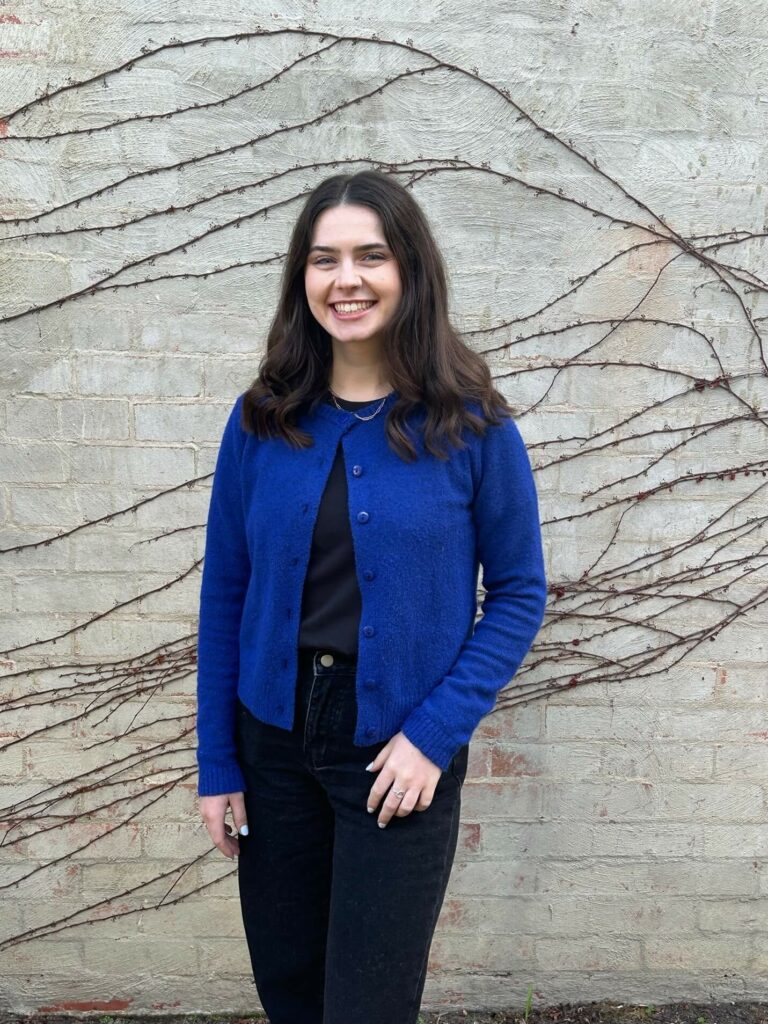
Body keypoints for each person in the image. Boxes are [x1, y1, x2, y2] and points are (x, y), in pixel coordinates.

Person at [195, 169, 548, 1024]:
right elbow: (224, 597)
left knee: (367, 1005)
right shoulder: (262, 421)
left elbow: (519, 593)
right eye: (324, 260)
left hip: (397, 753)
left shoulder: (472, 426)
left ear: (409, 271)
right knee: (290, 993)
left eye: (369, 256)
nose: (345, 279)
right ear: (301, 279)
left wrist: (432, 735)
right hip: (272, 743)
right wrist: (219, 762)